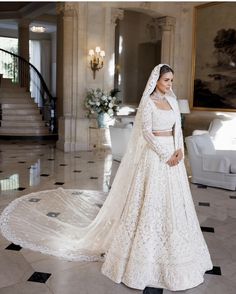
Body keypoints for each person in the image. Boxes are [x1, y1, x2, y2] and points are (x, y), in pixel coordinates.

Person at [0, 64, 213, 292]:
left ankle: (178, 255)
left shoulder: (171, 101)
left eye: (171, 80)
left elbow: (178, 129)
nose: (170, 84)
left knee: (174, 205)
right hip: (156, 158)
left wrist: (179, 150)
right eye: (166, 80)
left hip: (174, 158)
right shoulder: (148, 103)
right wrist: (165, 155)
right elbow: (146, 133)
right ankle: (141, 257)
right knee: (149, 204)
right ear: (156, 81)